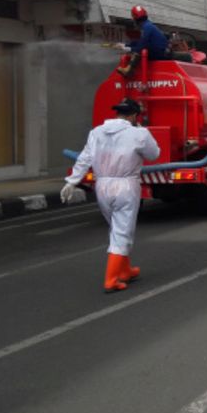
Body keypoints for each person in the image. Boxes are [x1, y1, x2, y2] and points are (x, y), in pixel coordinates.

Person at [62, 98, 161, 293]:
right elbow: (154, 154)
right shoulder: (139, 134)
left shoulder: (97, 132)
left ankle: (126, 270)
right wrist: (141, 130)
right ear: (133, 116)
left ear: (117, 114)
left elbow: (84, 158)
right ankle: (111, 279)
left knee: (116, 228)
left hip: (102, 185)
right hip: (125, 185)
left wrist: (72, 181)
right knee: (122, 231)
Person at [116, 5, 191, 75]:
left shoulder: (146, 28)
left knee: (140, 50)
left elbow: (142, 44)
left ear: (135, 19)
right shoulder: (149, 26)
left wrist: (128, 48)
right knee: (140, 49)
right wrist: (126, 45)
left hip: (160, 55)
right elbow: (140, 42)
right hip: (163, 53)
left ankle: (129, 69)